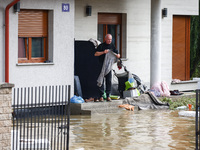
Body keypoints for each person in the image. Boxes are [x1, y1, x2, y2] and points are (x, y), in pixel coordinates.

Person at [94, 34, 120, 102]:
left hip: (109, 66)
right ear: (105, 39)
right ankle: (101, 96)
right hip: (101, 65)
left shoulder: (112, 45)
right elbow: (96, 54)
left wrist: (118, 55)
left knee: (109, 80)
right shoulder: (101, 46)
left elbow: (117, 53)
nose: (110, 41)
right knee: (101, 80)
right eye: (108, 39)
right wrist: (103, 52)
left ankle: (108, 95)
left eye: (111, 39)